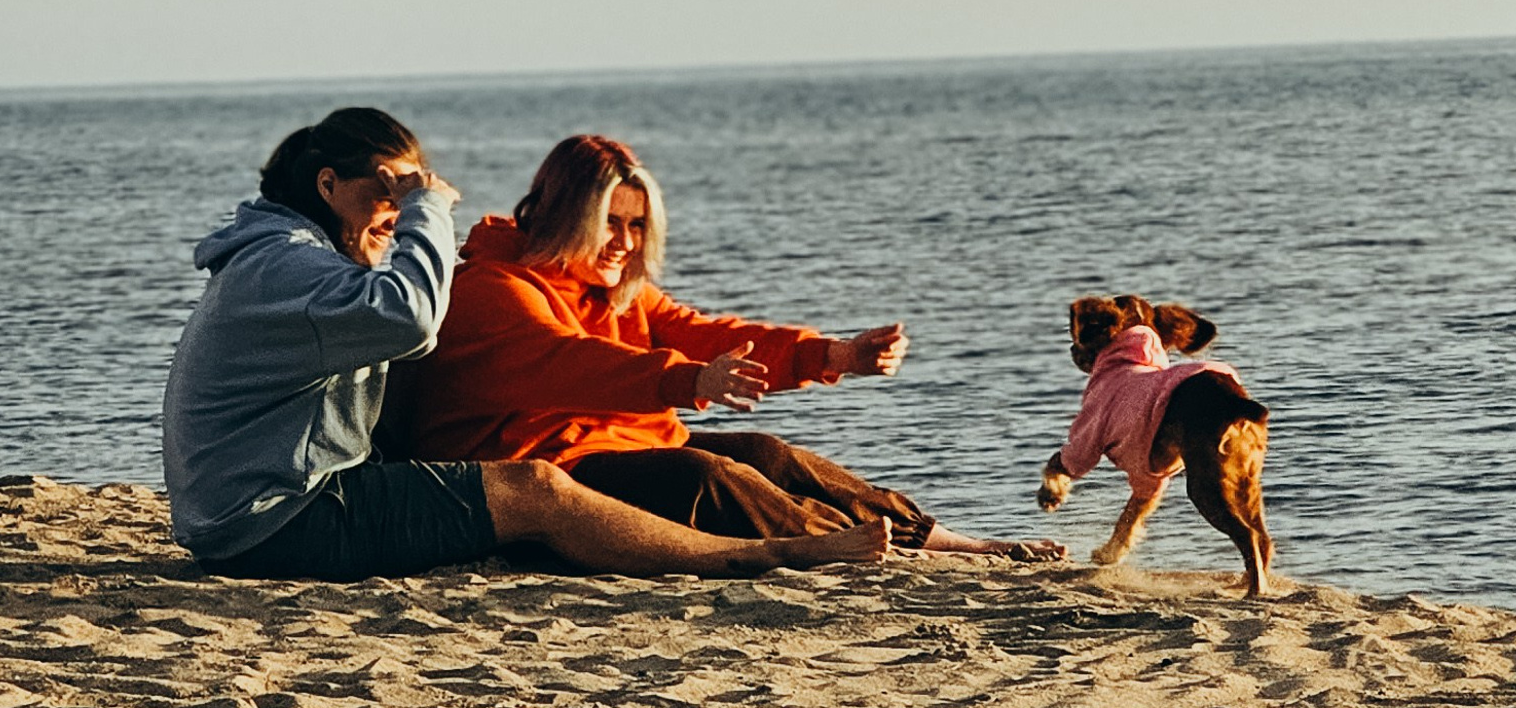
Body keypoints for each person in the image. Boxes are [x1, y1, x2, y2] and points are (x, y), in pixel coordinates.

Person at [160, 106, 893, 581]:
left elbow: (694, 328)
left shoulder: (289, 263)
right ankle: (769, 555)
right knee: (534, 486)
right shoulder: (287, 265)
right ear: (326, 186)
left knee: (754, 455)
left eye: (400, 197)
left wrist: (826, 355)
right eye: (384, 195)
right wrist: (428, 207)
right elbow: (417, 320)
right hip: (273, 521)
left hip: (264, 508)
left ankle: (899, 534)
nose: (394, 214)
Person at [406, 133, 1064, 560]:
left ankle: (945, 541)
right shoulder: (494, 287)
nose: (626, 244)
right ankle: (853, 549)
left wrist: (831, 355)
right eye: (611, 223)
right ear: (559, 212)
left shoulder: (612, 292)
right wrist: (689, 381)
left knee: (763, 451)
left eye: (638, 228)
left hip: (612, 448)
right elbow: (571, 366)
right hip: (532, 478)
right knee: (705, 474)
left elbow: (711, 333)